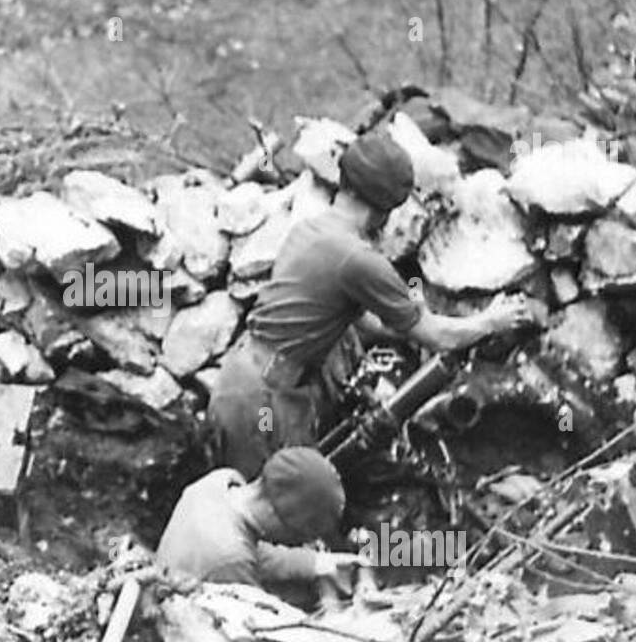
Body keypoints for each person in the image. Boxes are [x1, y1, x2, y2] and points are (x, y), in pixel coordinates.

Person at [207, 132, 534, 477]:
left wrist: (405, 328)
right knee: (273, 510)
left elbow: (359, 321)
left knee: (254, 502)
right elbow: (438, 337)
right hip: (264, 404)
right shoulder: (358, 259)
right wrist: (491, 321)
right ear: (386, 208)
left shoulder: (310, 230)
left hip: (240, 383)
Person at [155, 448, 362, 604]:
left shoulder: (220, 481)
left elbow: (251, 549)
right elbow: (258, 633)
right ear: (274, 513)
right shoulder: (231, 562)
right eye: (296, 533)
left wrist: (316, 563)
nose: (295, 540)